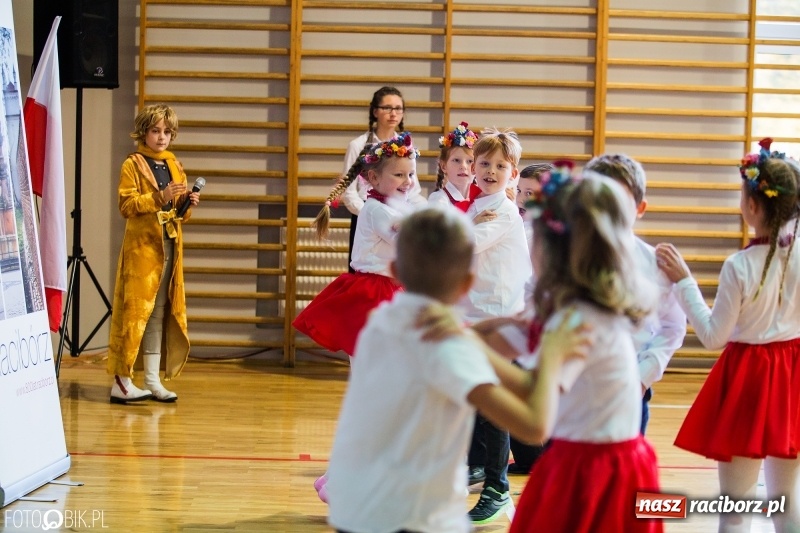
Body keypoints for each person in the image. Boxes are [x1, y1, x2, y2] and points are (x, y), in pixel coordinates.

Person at [326, 207, 589, 533]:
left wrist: (499, 327)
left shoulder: (383, 320)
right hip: (411, 517)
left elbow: (453, 342)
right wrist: (554, 355)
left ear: (395, 269)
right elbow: (534, 426)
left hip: (356, 507)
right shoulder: (449, 346)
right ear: (469, 282)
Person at [508, 163, 662, 533]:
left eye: (535, 239)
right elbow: (513, 335)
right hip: (614, 461)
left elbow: (534, 421)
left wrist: (469, 364)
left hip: (589, 468)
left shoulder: (577, 319)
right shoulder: (587, 304)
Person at [656, 138, 800, 533]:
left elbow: (713, 336)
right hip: (793, 379)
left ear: (753, 205)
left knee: (735, 509)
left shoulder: (740, 265)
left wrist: (684, 282)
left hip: (749, 381)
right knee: (787, 504)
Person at [293, 131, 421, 358]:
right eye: (399, 174)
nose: (408, 181)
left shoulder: (394, 207)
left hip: (389, 287)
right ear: (373, 178)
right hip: (374, 291)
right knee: (375, 358)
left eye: (410, 174)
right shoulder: (376, 210)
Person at [584, 154, 686, 434]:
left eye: (619, 200)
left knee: (623, 472)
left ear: (640, 207)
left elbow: (674, 326)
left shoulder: (655, 263)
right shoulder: (563, 257)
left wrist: (643, 377)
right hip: (575, 388)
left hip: (630, 385)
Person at [460, 127, 532, 524]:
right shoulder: (479, 207)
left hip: (499, 318)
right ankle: (480, 469)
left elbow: (463, 246)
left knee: (493, 406)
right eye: (484, 163)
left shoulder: (502, 212)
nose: (490, 170)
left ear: (514, 174)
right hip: (480, 314)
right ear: (473, 168)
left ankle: (498, 487)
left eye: (500, 166)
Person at [107, 103, 200, 404]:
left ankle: (151, 379)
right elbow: (126, 205)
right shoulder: (132, 164)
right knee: (136, 314)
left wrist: (186, 205)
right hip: (142, 250)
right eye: (156, 131)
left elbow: (176, 213)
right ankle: (121, 380)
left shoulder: (174, 164)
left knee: (158, 313)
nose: (162, 138)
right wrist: (159, 197)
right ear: (144, 132)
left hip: (169, 245)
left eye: (167, 132)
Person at [341, 86, 424, 272]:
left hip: (399, 214)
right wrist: (372, 214)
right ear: (375, 111)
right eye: (387, 108)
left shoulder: (407, 149)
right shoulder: (358, 145)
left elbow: (414, 190)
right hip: (366, 212)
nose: (393, 113)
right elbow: (349, 192)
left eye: (398, 108)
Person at [428, 121, 481, 212]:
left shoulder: (482, 196)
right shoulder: (438, 200)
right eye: (456, 160)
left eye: (470, 161)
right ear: (444, 166)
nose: (463, 166)